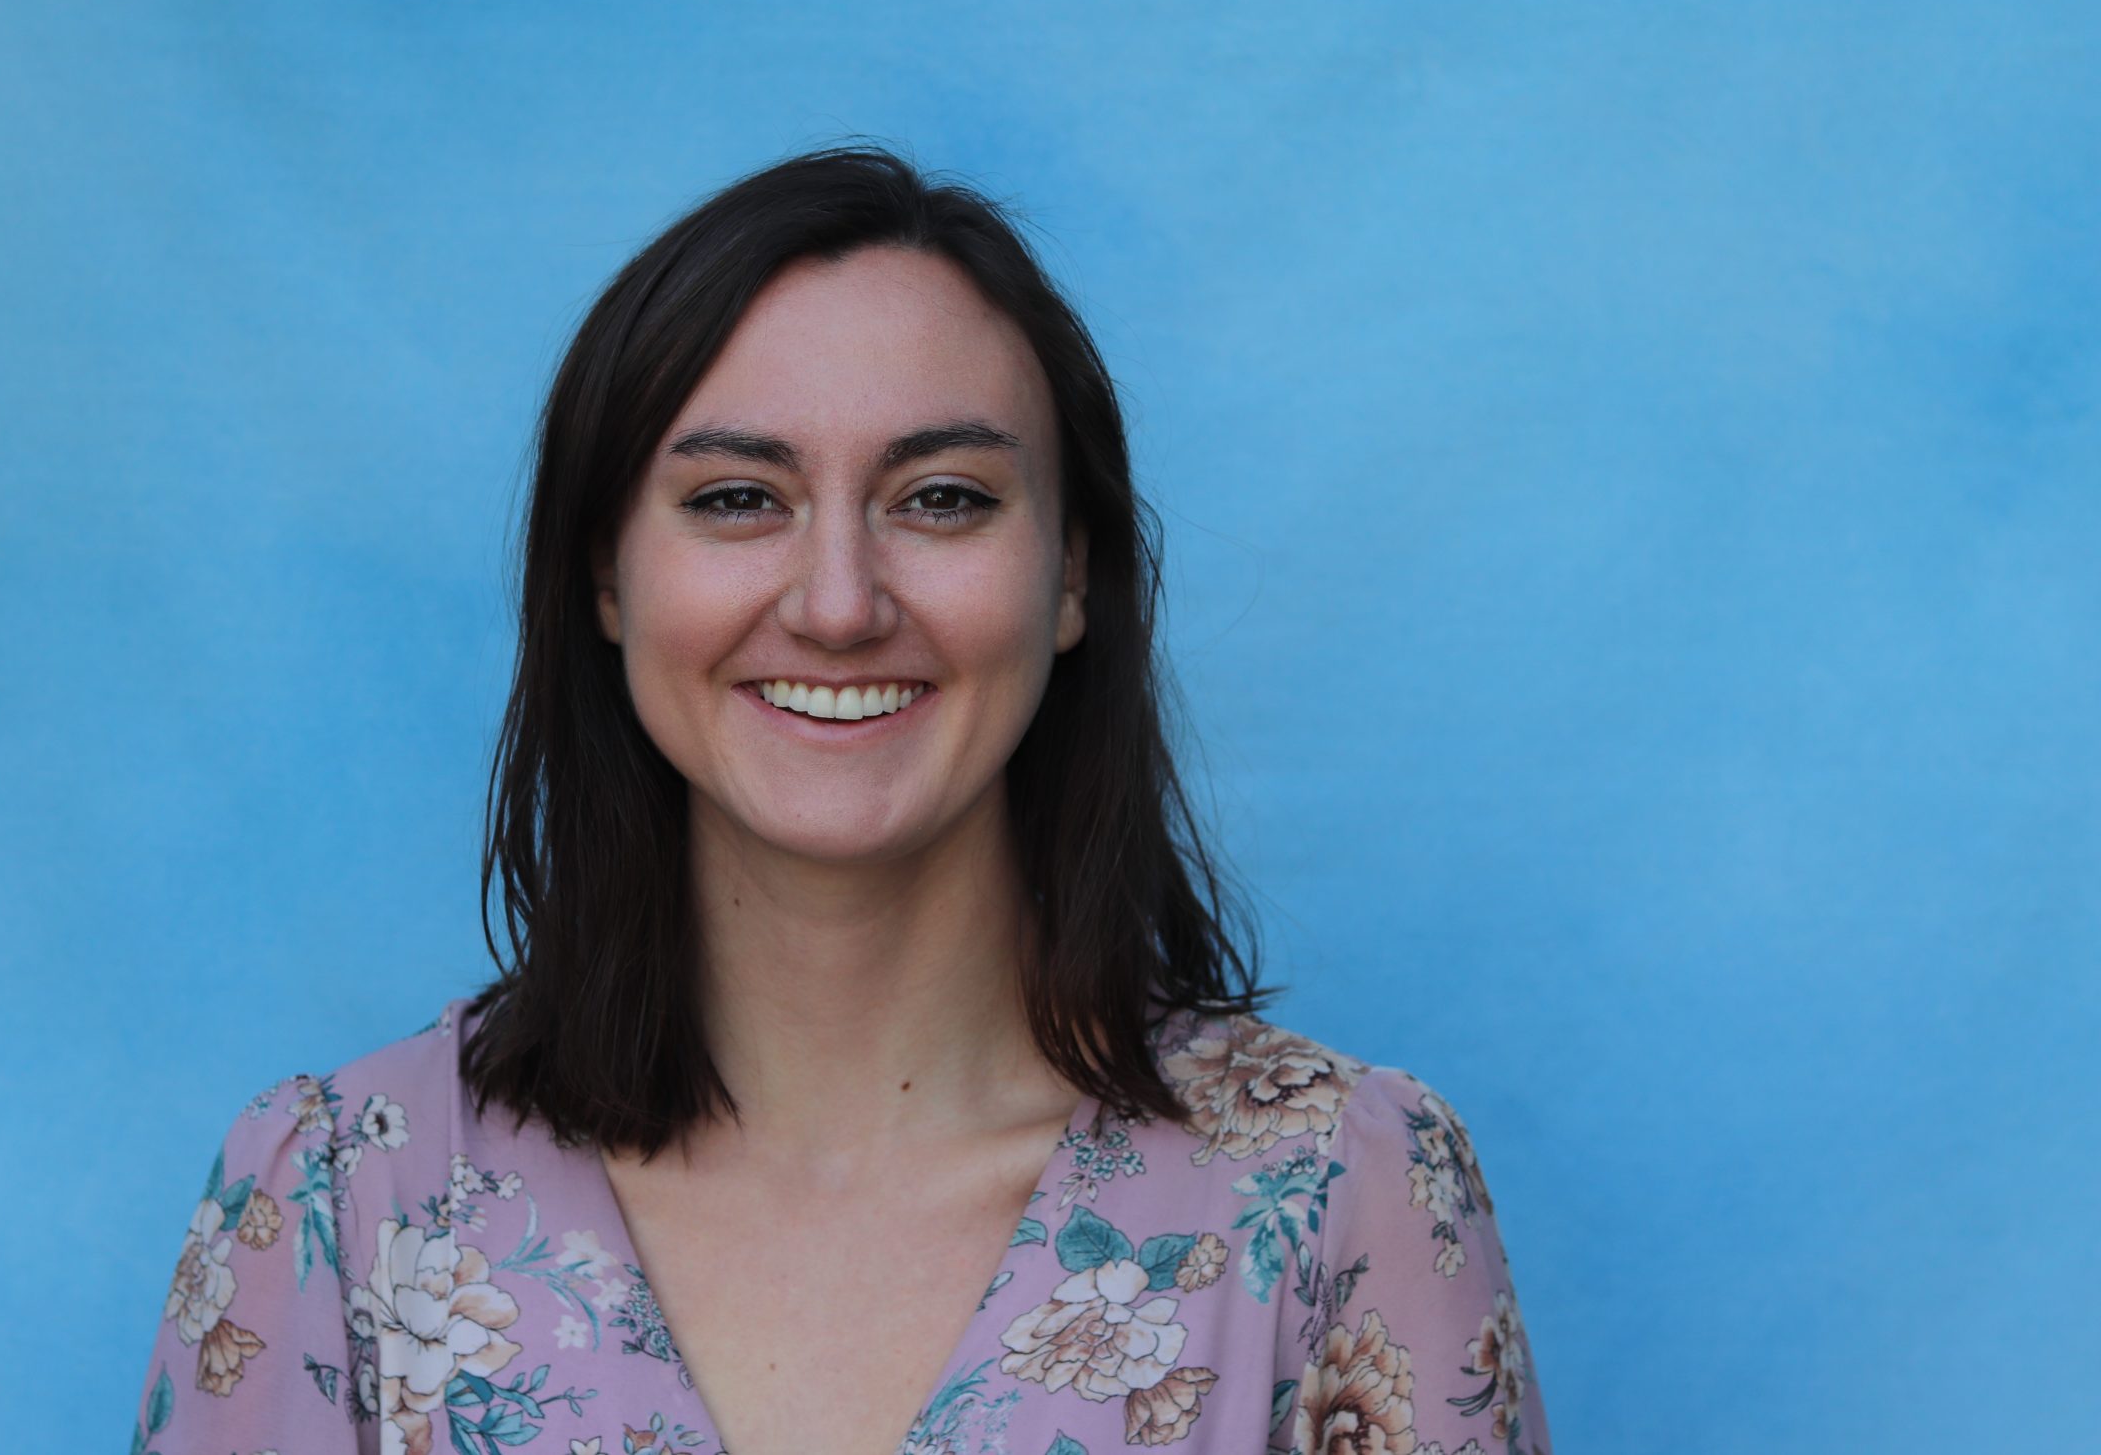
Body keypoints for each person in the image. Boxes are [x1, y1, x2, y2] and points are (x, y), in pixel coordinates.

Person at [130, 145, 1551, 1455]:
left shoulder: (1337, 1198)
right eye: (739, 498)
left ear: (1070, 578)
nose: (839, 604)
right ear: (607, 580)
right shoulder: (333, 1205)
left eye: (941, 498)